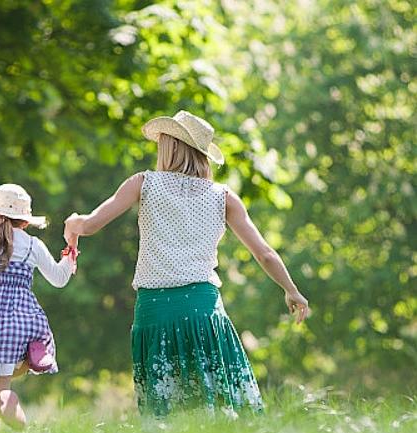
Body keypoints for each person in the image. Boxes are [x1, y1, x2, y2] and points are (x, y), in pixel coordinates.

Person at [63, 110, 310, 416]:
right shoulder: (223, 197)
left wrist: (73, 225)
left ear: (170, 146)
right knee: (216, 407)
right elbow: (265, 253)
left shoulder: (143, 183)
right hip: (202, 310)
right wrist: (291, 289)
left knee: (166, 414)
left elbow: (89, 225)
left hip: (155, 310)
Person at [0, 184, 77, 428]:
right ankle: (26, 363)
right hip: (20, 324)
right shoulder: (32, 245)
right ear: (25, 222)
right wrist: (70, 250)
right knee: (4, 385)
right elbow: (59, 279)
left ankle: (21, 428)